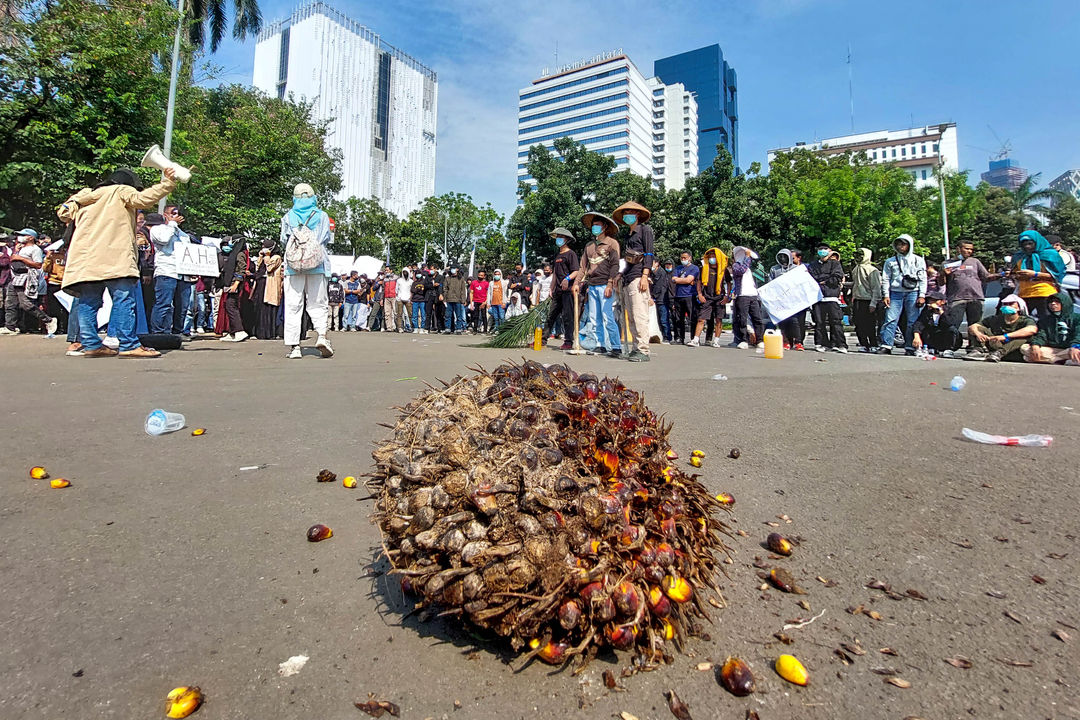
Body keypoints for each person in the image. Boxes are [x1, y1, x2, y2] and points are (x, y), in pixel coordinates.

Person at [57, 168, 176, 357]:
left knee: (88, 302)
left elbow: (63, 214)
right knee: (123, 300)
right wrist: (168, 183)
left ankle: (91, 344)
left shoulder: (85, 197)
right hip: (115, 256)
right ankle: (129, 345)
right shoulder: (120, 191)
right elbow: (144, 199)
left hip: (86, 258)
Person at [280, 183, 333, 358]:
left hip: (293, 268)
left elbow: (284, 241)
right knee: (318, 303)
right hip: (317, 265)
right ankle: (322, 336)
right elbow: (325, 238)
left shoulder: (288, 217)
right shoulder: (322, 216)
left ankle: (295, 347)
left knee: (293, 305)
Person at [613, 200, 654, 362]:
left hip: (639, 277)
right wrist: (619, 274)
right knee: (630, 316)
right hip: (628, 277)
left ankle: (643, 350)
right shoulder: (628, 235)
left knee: (639, 315)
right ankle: (635, 348)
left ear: (637, 214)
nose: (627, 215)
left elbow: (649, 254)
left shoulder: (645, 230)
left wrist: (645, 275)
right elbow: (628, 260)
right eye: (625, 213)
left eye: (631, 212)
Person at [576, 211, 621, 356]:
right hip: (592, 284)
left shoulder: (612, 243)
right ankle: (599, 344)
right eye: (593, 225)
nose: (594, 227)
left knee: (608, 316)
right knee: (595, 318)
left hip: (605, 285)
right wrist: (577, 283)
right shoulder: (589, 246)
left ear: (605, 227)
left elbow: (615, 265)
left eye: (597, 225)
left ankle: (616, 346)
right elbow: (583, 266)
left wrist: (610, 284)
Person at [1, 229, 56, 336]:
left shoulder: (35, 249)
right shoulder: (21, 248)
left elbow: (38, 264)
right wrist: (16, 253)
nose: (20, 237)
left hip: (26, 278)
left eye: (23, 235)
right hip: (15, 277)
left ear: (31, 237)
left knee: (26, 304)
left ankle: (48, 320)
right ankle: (10, 326)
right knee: (10, 303)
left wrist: (20, 258)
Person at [878, 233, 927, 355]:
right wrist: (886, 294)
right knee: (890, 318)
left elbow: (923, 278)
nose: (901, 247)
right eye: (898, 244)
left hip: (913, 292)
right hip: (895, 293)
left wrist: (922, 295)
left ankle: (910, 347)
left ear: (909, 245)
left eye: (904, 244)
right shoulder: (890, 261)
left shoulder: (918, 260)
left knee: (912, 320)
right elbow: (886, 278)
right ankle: (887, 345)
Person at [147, 211, 191, 335]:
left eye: (178, 214)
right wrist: (172, 224)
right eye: (173, 214)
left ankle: (178, 332)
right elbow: (163, 240)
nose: (176, 217)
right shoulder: (158, 229)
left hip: (183, 274)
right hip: (167, 272)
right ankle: (157, 333)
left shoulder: (183, 235)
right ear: (165, 215)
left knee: (182, 306)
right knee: (163, 304)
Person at [943, 241, 990, 350]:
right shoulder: (948, 263)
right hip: (957, 299)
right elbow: (941, 283)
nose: (969, 251)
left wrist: (1002, 275)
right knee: (953, 324)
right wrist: (943, 274)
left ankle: (974, 348)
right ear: (958, 249)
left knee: (975, 325)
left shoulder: (975, 262)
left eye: (971, 249)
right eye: (966, 248)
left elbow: (986, 277)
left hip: (976, 297)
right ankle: (949, 348)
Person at [965, 294, 1037, 362]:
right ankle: (978, 351)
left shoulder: (1025, 320)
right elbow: (973, 326)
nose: (1007, 306)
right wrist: (978, 333)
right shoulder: (996, 319)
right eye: (1005, 304)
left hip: (1014, 349)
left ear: (1019, 307)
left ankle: (1000, 353)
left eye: (1011, 304)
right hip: (996, 345)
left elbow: (1032, 329)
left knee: (1025, 338)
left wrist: (1005, 336)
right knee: (979, 329)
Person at [1012, 230, 1066, 318]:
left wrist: (1035, 274)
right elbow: (1014, 274)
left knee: (1047, 323)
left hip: (1045, 293)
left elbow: (1057, 276)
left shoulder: (1050, 255)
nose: (1027, 247)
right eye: (1024, 244)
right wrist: (1016, 276)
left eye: (1030, 243)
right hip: (1024, 294)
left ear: (1037, 241)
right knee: (1022, 323)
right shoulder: (1019, 256)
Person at [1022, 290, 1080, 365]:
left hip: (1072, 348)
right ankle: (1063, 360)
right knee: (1025, 348)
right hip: (1054, 349)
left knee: (1027, 357)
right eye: (1051, 302)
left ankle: (1054, 360)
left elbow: (1078, 334)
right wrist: (1036, 345)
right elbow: (1041, 335)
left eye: (1057, 302)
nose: (1053, 304)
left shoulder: (1077, 318)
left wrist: (1075, 346)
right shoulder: (1046, 320)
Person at [544, 228, 580, 350]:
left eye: (561, 237)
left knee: (567, 317)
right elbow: (555, 273)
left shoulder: (571, 254)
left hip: (567, 290)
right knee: (551, 315)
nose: (558, 239)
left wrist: (567, 279)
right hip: (557, 291)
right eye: (557, 237)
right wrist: (551, 287)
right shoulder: (557, 255)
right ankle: (543, 339)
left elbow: (576, 270)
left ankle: (569, 341)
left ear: (567, 239)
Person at [808, 244, 847, 353]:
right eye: (820, 249)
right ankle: (821, 343)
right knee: (819, 322)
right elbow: (812, 279)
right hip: (818, 297)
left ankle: (840, 344)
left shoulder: (835, 264)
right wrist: (824, 280)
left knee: (836, 321)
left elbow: (836, 278)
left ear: (829, 251)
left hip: (832, 296)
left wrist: (824, 281)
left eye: (825, 249)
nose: (822, 251)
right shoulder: (813, 265)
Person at [689, 247, 728, 348]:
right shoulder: (704, 268)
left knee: (719, 319)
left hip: (720, 298)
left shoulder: (723, 269)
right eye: (710, 256)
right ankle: (696, 340)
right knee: (701, 319)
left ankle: (716, 341)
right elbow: (698, 282)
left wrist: (727, 296)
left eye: (713, 256)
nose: (711, 257)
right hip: (706, 297)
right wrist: (700, 294)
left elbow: (729, 283)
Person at [769, 249, 807, 350]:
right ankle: (785, 341)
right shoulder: (774, 269)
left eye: (785, 256)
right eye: (780, 256)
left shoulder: (796, 269)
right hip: (780, 300)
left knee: (795, 322)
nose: (782, 259)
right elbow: (770, 283)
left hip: (793, 300)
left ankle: (798, 342)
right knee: (783, 322)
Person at [729, 246, 765, 350]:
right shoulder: (736, 266)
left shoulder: (750, 267)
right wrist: (747, 258)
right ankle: (743, 339)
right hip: (742, 295)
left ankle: (759, 340)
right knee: (742, 319)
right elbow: (741, 270)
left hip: (753, 295)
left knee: (757, 318)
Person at [216, 236, 250, 342]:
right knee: (228, 305)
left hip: (235, 283)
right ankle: (232, 332)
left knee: (231, 306)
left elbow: (241, 269)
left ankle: (239, 331)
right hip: (229, 283)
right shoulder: (234, 253)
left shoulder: (240, 254)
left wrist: (236, 284)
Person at [848, 248, 882, 353]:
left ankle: (873, 344)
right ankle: (863, 343)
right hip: (857, 300)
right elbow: (855, 284)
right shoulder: (856, 269)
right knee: (858, 324)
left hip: (868, 300)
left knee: (870, 324)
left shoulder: (872, 270)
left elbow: (876, 288)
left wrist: (873, 303)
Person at [911, 291, 961, 355]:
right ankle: (930, 348)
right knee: (925, 329)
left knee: (952, 329)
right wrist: (916, 335)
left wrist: (940, 311)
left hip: (944, 335)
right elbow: (919, 323)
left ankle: (948, 349)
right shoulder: (927, 311)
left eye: (934, 300)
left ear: (942, 302)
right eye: (930, 300)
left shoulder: (949, 310)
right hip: (933, 336)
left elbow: (950, 323)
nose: (931, 302)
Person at [670, 250, 700, 345]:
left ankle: (693, 338)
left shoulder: (694, 268)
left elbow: (689, 280)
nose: (683, 260)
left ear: (690, 258)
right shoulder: (678, 268)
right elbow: (673, 279)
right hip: (678, 295)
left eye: (685, 258)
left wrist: (679, 280)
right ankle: (679, 338)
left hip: (690, 295)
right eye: (682, 258)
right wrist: (682, 280)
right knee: (678, 318)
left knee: (692, 318)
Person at [254, 241, 282, 339]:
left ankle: (270, 333)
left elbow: (269, 268)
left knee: (269, 309)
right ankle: (260, 332)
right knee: (260, 309)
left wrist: (267, 256)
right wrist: (260, 256)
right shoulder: (264, 256)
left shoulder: (276, 258)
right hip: (261, 284)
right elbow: (258, 267)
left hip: (271, 286)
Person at [42, 236, 69, 337]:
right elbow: (45, 269)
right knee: (54, 307)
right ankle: (56, 328)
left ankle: (66, 327)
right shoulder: (53, 256)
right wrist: (48, 257)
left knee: (66, 306)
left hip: (65, 283)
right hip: (54, 283)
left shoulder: (69, 255)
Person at [650, 257, 671, 344]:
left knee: (663, 319)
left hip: (661, 299)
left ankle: (667, 336)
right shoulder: (651, 273)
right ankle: (661, 335)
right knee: (658, 319)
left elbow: (661, 287)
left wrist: (655, 297)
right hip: (654, 299)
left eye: (652, 263)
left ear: (657, 263)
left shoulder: (661, 272)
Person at [443, 265, 468, 334]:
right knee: (448, 315)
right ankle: (448, 328)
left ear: (457, 269)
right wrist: (445, 299)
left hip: (458, 300)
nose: (452, 270)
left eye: (454, 268)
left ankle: (458, 329)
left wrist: (463, 300)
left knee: (459, 315)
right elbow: (445, 289)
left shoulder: (461, 279)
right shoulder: (447, 278)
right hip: (449, 299)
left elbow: (463, 290)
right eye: (452, 268)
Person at [469, 270, 489, 334]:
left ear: (484, 276)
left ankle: (485, 330)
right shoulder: (474, 283)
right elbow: (471, 292)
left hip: (483, 301)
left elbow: (488, 293)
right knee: (476, 315)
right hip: (476, 301)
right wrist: (471, 302)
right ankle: (475, 329)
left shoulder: (486, 283)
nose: (480, 276)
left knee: (483, 316)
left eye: (482, 275)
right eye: (479, 275)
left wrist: (485, 302)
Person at [410, 268, 428, 333]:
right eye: (417, 274)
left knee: (423, 315)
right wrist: (419, 290)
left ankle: (422, 328)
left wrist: (418, 291)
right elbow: (412, 290)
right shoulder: (414, 283)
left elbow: (424, 290)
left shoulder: (424, 282)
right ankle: (415, 327)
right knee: (414, 315)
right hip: (415, 300)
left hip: (422, 300)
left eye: (419, 274)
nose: (418, 275)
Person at [395, 268, 413, 332]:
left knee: (410, 313)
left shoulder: (411, 281)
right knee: (399, 314)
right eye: (404, 272)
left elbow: (412, 290)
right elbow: (396, 289)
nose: (405, 273)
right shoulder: (399, 280)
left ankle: (412, 327)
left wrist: (410, 299)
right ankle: (400, 327)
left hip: (408, 299)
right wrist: (398, 297)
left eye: (406, 272)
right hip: (400, 298)